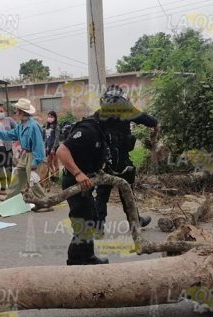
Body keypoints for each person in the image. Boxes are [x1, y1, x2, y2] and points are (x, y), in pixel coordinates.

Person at [93, 86, 159, 236]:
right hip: (122, 159)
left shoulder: (99, 113)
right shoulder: (127, 109)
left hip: (105, 159)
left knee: (102, 192)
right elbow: (149, 120)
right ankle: (135, 222)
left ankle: (98, 226)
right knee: (126, 190)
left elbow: (89, 127)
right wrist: (155, 125)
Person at [55, 116, 110, 266]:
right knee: (82, 224)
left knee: (90, 219)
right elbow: (62, 150)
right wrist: (78, 173)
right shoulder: (88, 130)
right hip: (74, 182)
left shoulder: (101, 130)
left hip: (86, 182)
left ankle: (88, 256)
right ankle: (74, 262)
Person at [0, 99, 48, 207]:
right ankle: (10, 198)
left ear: (22, 112)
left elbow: (39, 146)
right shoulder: (20, 125)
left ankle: (44, 202)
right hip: (25, 154)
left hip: (33, 155)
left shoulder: (33, 126)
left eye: (17, 111)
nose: (15, 113)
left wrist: (35, 163)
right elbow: (10, 135)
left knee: (32, 179)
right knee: (18, 174)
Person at [0, 104, 15, 194]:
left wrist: (12, 136)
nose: (0, 113)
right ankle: (3, 188)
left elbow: (16, 128)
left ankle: (10, 186)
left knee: (8, 167)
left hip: (8, 147)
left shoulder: (9, 120)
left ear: (5, 112)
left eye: (1, 111)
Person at [44, 111, 60, 186]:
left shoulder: (56, 126)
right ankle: (53, 176)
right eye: (49, 116)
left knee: (55, 163)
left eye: (51, 116)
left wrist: (53, 148)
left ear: (55, 117)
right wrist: (46, 147)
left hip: (55, 147)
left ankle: (56, 180)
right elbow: (46, 138)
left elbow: (57, 138)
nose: (49, 118)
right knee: (48, 163)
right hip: (48, 148)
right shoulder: (47, 126)